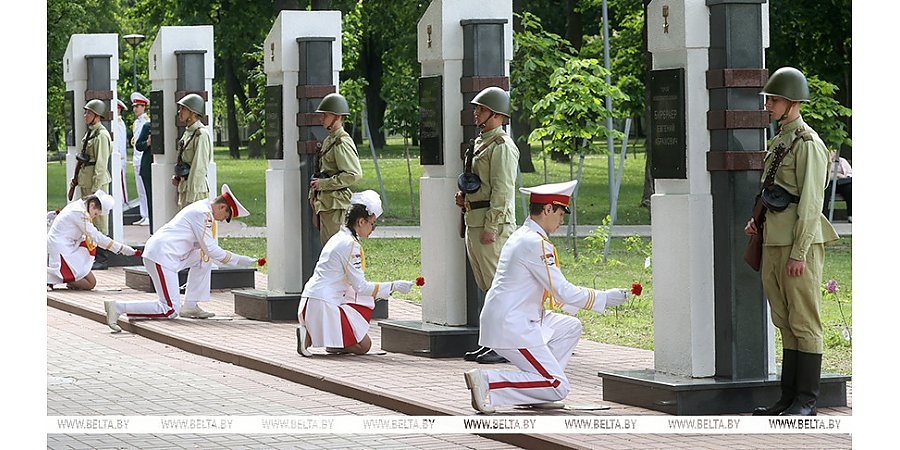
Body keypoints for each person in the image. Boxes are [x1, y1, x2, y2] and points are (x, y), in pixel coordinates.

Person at [463, 180, 629, 413]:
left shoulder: (524, 234)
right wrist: (603, 297)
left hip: (518, 317)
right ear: (548, 209)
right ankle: (489, 381)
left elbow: (548, 288)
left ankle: (539, 389)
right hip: (512, 324)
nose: (562, 219)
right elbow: (562, 290)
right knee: (559, 386)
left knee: (570, 327)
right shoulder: (534, 243)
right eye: (561, 212)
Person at [745, 67, 839, 416]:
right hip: (773, 239)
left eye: (775, 99)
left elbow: (812, 203)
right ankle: (787, 398)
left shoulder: (809, 144)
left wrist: (799, 252)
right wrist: (757, 222)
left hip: (799, 244)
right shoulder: (782, 139)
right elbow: (775, 191)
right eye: (769, 99)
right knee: (784, 319)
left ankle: (807, 400)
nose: (768, 104)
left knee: (804, 320)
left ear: (793, 103)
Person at [104, 184, 265, 332]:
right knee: (170, 309)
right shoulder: (203, 214)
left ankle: (190, 305)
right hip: (162, 256)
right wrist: (240, 260)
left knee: (203, 258)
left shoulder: (203, 209)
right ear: (222, 206)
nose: (223, 220)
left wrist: (237, 259)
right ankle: (118, 307)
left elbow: (207, 252)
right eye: (226, 216)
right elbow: (211, 248)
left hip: (170, 255)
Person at [297, 190, 414, 357]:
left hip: (311, 301)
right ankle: (307, 338)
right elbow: (361, 287)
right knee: (364, 346)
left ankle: (324, 339)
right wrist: (393, 286)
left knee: (360, 342)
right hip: (324, 304)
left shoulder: (339, 237)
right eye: (372, 224)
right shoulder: (351, 245)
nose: (372, 229)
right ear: (361, 222)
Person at [454, 86, 519, 365]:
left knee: (498, 288)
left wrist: (492, 227)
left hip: (491, 226)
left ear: (495, 114)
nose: (476, 113)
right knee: (487, 287)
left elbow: (503, 191)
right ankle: (491, 342)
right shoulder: (483, 142)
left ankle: (506, 346)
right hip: (475, 221)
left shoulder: (502, 147)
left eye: (480, 109)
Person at [47, 190, 139, 290]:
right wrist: (123, 249)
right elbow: (97, 237)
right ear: (92, 205)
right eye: (95, 214)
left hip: (68, 248)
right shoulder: (80, 214)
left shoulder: (78, 206)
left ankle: (68, 281)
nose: (94, 217)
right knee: (90, 284)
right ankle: (57, 279)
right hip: (62, 250)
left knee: (91, 282)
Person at [309, 93, 363, 246]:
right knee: (329, 250)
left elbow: (353, 174)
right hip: (327, 204)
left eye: (325, 115)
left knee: (336, 252)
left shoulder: (341, 142)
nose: (321, 118)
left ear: (337, 117)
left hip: (336, 206)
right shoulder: (330, 140)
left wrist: (324, 184)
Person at [74, 99, 113, 237]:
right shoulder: (91, 132)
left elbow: (101, 164)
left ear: (97, 115)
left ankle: (102, 255)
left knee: (99, 222)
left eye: (88, 113)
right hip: (87, 181)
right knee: (87, 220)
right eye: (85, 112)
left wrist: (96, 189)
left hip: (96, 184)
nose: (85, 115)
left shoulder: (101, 135)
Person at [173, 93, 213, 210]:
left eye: (183, 109)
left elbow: (199, 166)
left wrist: (192, 193)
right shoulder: (189, 132)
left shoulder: (201, 134)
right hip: (185, 186)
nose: (180, 112)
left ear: (193, 113)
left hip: (195, 191)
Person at [131, 92, 151, 225]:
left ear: (144, 107)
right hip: (136, 159)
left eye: (138, 106)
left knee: (146, 190)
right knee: (140, 191)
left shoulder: (147, 122)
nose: (135, 109)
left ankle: (149, 215)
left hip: (143, 159)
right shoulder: (136, 123)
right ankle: (144, 215)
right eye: (134, 106)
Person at [822, 151, 852, 222]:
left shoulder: (842, 161)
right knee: (825, 190)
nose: (831, 153)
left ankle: (851, 215)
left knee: (850, 189)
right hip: (828, 183)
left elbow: (850, 173)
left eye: (833, 152)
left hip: (841, 183)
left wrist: (843, 176)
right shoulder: (824, 161)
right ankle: (824, 216)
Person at [112, 99, 131, 209]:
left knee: (121, 182)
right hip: (118, 158)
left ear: (119, 109)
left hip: (120, 158)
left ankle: (125, 203)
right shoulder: (116, 122)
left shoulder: (119, 123)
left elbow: (119, 142)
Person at [136, 119, 153, 229]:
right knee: (150, 199)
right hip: (148, 168)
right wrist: (147, 143)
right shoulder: (147, 126)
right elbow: (138, 145)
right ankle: (152, 227)